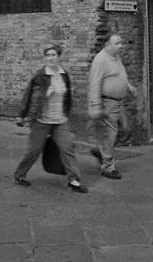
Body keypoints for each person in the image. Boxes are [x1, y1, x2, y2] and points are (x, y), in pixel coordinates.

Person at [11, 45, 88, 193]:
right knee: (34, 150)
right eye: (48, 55)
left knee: (67, 149)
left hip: (60, 120)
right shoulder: (40, 76)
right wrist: (21, 114)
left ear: (59, 57)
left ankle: (73, 180)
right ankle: (19, 175)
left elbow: (67, 96)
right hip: (42, 120)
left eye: (53, 55)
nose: (50, 58)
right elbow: (29, 95)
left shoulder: (64, 74)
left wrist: (67, 112)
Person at [87, 33, 138, 180]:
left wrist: (129, 87)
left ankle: (101, 152)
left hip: (117, 103)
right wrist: (95, 106)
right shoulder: (101, 59)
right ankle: (108, 167)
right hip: (107, 103)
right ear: (107, 45)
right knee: (109, 133)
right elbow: (94, 83)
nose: (121, 46)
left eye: (121, 43)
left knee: (122, 130)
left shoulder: (116, 57)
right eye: (117, 43)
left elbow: (119, 75)